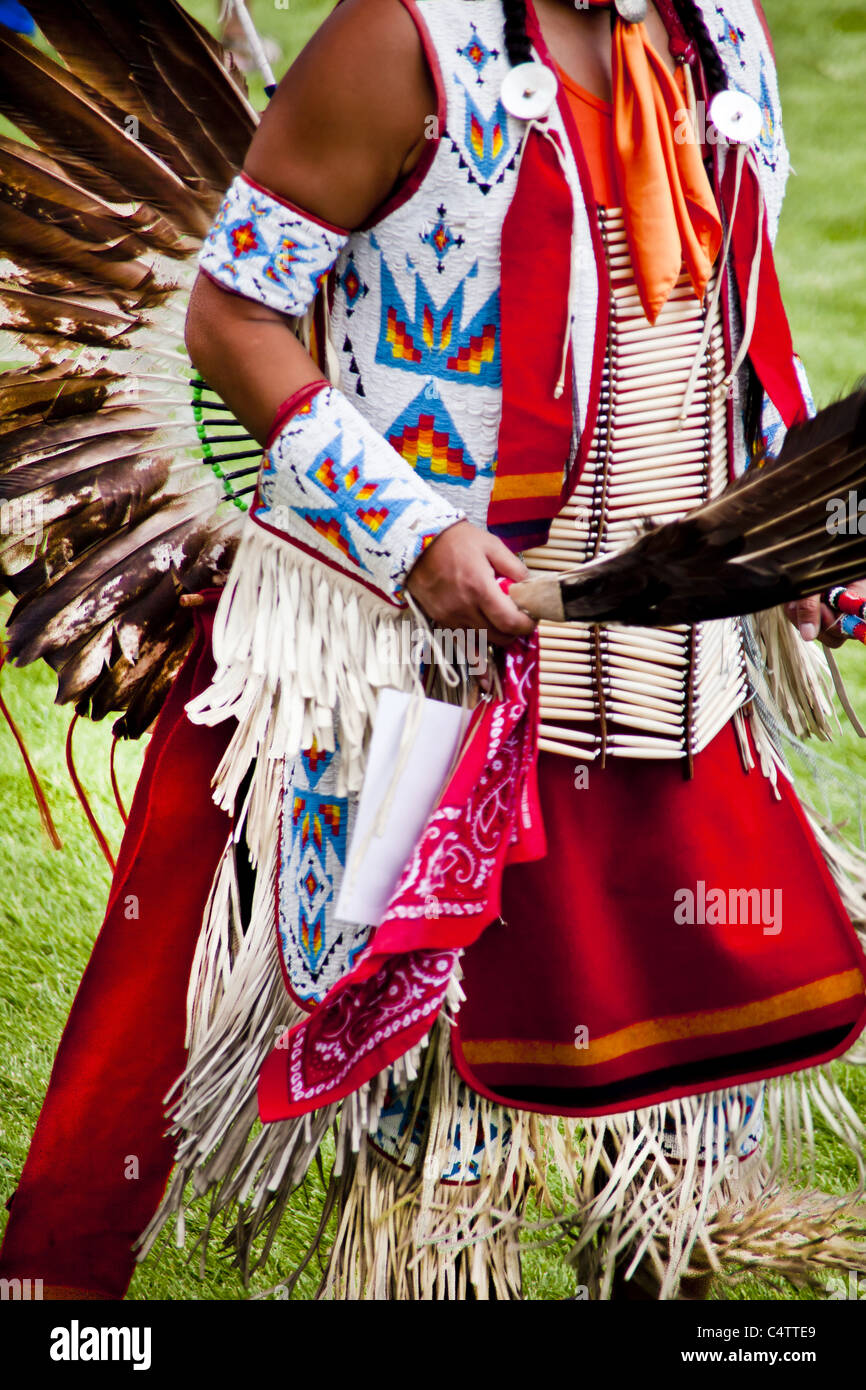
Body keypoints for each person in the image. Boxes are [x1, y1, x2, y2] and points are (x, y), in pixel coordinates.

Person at [3, 0, 866, 1302]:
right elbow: (234, 315)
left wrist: (795, 529)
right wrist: (407, 533)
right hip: (431, 683)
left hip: (666, 681)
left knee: (670, 1163)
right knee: (433, 1177)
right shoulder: (404, 39)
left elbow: (734, 323)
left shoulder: (716, 32)